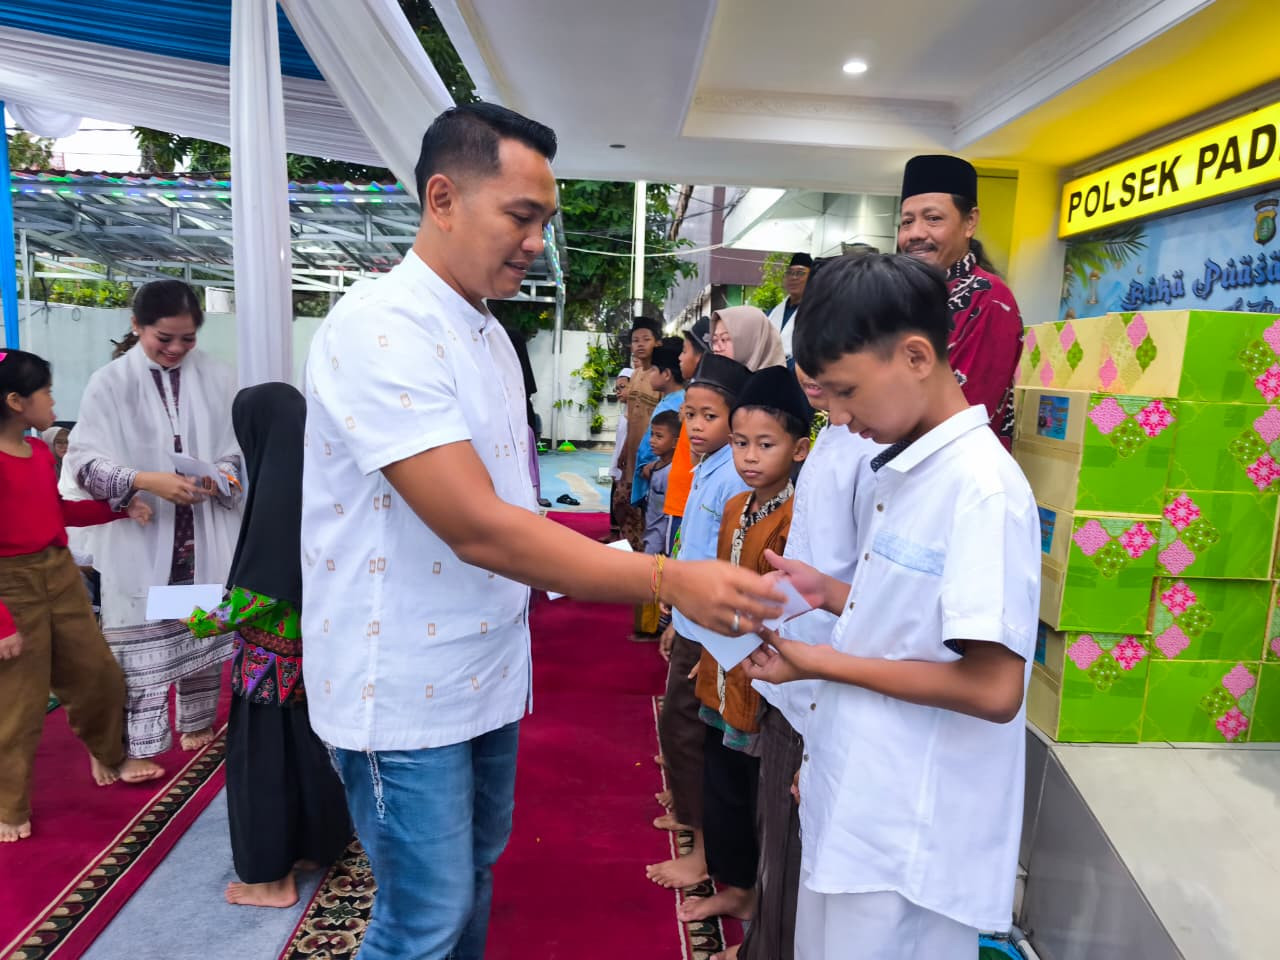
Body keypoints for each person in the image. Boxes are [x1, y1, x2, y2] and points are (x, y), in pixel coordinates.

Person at [300, 102, 784, 960]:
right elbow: (479, 527)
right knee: (422, 919)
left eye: (544, 222)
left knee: (474, 880)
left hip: (482, 666)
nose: (535, 242)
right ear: (442, 199)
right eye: (519, 216)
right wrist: (668, 579)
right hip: (402, 681)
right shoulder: (380, 324)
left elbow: (514, 511)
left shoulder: (485, 330)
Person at [742, 253, 1039, 960]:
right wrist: (832, 592)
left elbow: (994, 687)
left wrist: (824, 663)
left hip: (913, 830)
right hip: (862, 796)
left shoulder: (982, 490)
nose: (839, 417)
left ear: (914, 355)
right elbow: (917, 623)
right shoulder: (910, 468)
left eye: (845, 393)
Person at [63, 279, 242, 770]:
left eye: (188, 339)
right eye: (165, 338)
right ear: (137, 326)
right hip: (141, 530)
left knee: (199, 627)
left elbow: (235, 449)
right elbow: (84, 463)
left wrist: (219, 477)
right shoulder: (110, 382)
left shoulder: (219, 377)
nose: (177, 349)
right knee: (142, 637)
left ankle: (197, 720)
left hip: (201, 529)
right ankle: (138, 745)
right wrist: (145, 481)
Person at [184, 383, 350, 908]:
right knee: (305, 752)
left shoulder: (279, 491)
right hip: (313, 654)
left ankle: (270, 877)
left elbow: (263, 588)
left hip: (269, 664)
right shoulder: (314, 477)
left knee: (263, 762)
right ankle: (313, 845)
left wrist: (199, 621)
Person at [739, 363, 880, 960]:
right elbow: (814, 561)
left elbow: (873, 599)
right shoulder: (833, 435)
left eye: (830, 360)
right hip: (793, 670)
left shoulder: (875, 452)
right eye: (805, 358)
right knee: (775, 842)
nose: (811, 374)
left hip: (827, 679)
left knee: (803, 863)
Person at [0, 350, 159, 843]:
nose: (53, 400)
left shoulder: (40, 453)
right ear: (15, 401)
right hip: (11, 586)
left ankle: (108, 751)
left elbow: (57, 512)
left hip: (60, 576)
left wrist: (117, 510)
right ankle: (9, 805)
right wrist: (3, 622)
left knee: (98, 674)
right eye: (45, 391)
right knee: (20, 705)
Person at [678, 366, 811, 944]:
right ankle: (731, 884)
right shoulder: (737, 506)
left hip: (760, 675)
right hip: (721, 665)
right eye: (740, 443)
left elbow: (785, 604)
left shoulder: (794, 516)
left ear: (799, 448)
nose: (749, 457)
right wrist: (707, 653)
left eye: (765, 444)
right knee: (721, 780)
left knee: (756, 791)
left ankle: (752, 892)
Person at [646, 353, 751, 891]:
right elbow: (692, 544)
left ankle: (702, 844)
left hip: (714, 629)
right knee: (682, 728)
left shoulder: (736, 472)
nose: (695, 426)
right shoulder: (707, 466)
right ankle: (692, 817)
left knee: (695, 734)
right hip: (692, 620)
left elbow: (725, 559)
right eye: (690, 415)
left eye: (709, 416)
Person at [897, 154, 1024, 449]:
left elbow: (963, 411)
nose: (916, 233)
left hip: (956, 471)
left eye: (933, 219)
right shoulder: (901, 295)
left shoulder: (991, 298)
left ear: (970, 222)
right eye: (907, 221)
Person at [661, 317, 711, 555]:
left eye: (685, 351)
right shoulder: (695, 391)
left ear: (700, 357)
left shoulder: (702, 394)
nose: (680, 357)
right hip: (686, 494)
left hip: (685, 497)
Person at [617, 316, 662, 549]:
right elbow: (630, 418)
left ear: (658, 343)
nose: (640, 344)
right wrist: (625, 450)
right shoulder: (634, 375)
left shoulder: (660, 377)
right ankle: (629, 551)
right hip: (632, 455)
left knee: (647, 512)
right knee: (624, 506)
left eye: (646, 339)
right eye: (636, 340)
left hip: (650, 457)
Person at [641, 409, 680, 557]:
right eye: (652, 435)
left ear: (676, 442)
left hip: (661, 538)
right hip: (651, 531)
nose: (652, 440)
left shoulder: (671, 472)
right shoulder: (657, 465)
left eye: (659, 436)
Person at [766, 253, 813, 363]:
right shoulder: (771, 314)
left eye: (800, 273)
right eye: (790, 273)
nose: (794, 277)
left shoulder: (818, 313)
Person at [711, 306, 786, 370]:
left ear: (751, 343)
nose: (716, 348)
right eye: (714, 340)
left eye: (724, 339)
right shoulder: (721, 377)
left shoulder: (774, 383)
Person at [607, 367, 633, 539]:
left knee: (622, 502)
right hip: (618, 463)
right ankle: (614, 533)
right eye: (617, 388)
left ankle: (621, 536)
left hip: (626, 465)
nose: (618, 392)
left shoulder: (635, 414)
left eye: (622, 387)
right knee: (614, 498)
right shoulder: (624, 413)